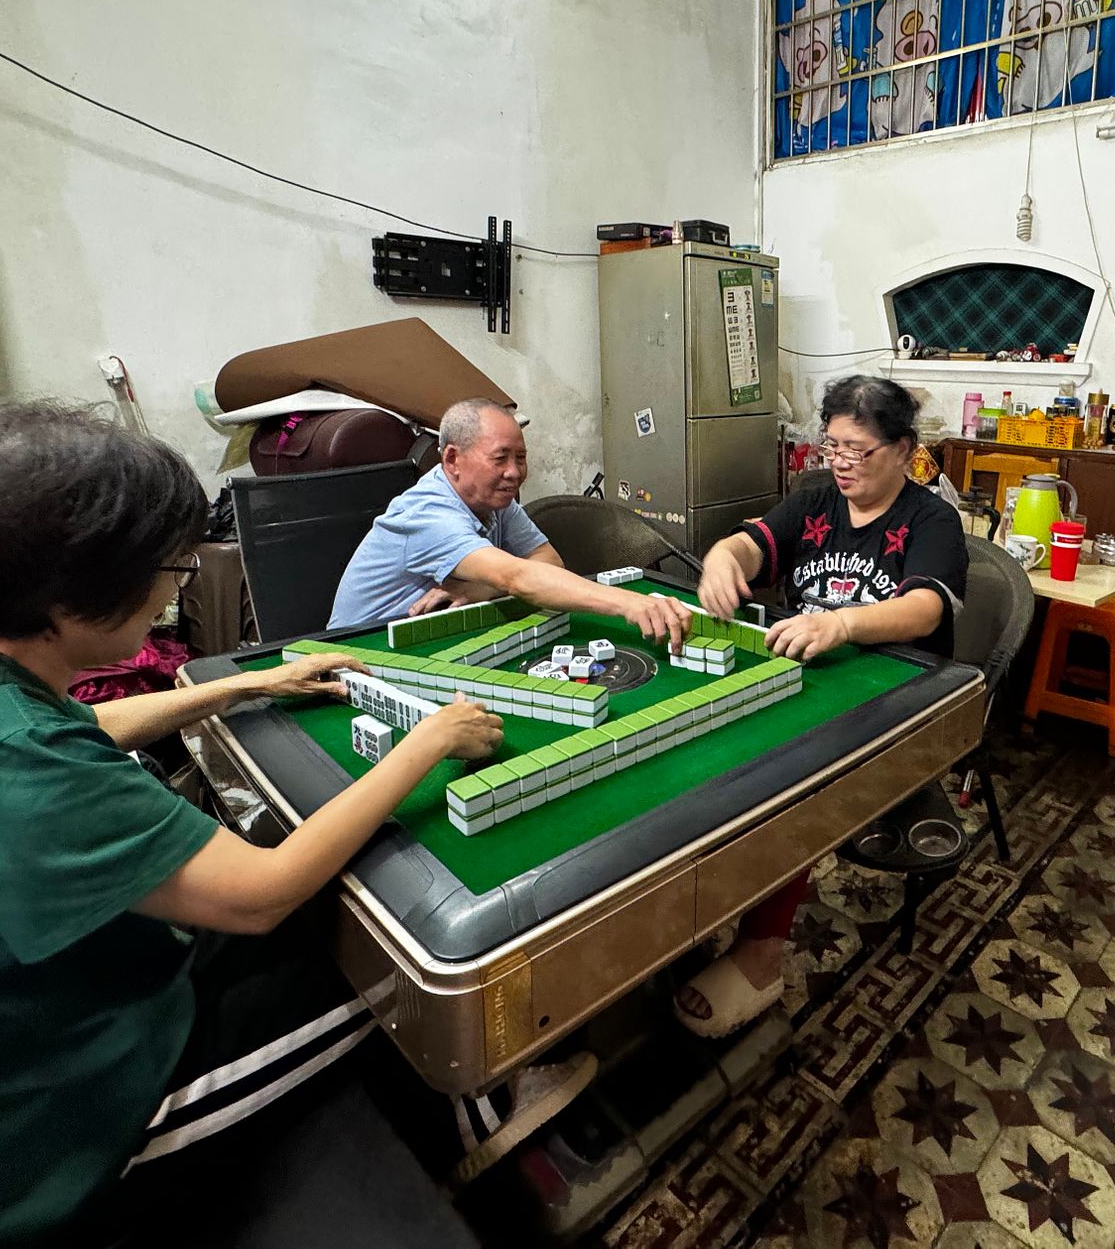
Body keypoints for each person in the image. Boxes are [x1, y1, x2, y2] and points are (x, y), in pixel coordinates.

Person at [0, 404, 509, 1249]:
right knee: (418, 980)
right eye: (168, 568)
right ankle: (499, 1144)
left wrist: (243, 686)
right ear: (68, 599)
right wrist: (430, 741)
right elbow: (261, 895)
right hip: (1, 1148)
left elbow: (69, 730)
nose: (175, 587)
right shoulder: (5, 759)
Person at [677, 375, 968, 1036]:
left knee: (789, 781)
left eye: (857, 450)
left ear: (903, 450)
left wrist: (841, 623)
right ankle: (696, 904)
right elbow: (751, 542)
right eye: (831, 446)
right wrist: (723, 559)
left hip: (891, 695)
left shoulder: (931, 520)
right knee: (709, 753)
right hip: (809, 680)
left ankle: (761, 956)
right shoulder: (814, 501)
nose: (840, 462)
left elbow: (925, 609)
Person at [329, 397, 690, 647]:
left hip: (431, 636)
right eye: (500, 458)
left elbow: (549, 563)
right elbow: (517, 576)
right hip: (361, 651)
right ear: (452, 459)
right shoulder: (429, 514)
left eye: (520, 457)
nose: (514, 472)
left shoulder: (493, 499)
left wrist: (483, 590)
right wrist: (628, 603)